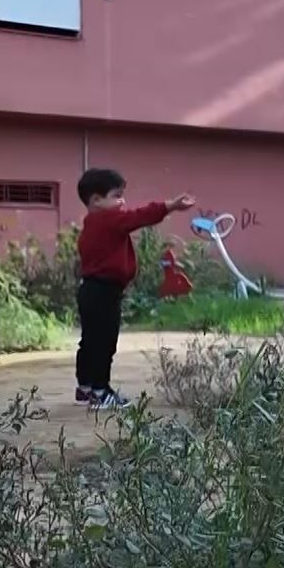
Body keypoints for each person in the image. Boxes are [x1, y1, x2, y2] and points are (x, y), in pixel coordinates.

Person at [74, 168, 195, 410]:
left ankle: (85, 387)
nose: (122, 202)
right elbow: (140, 216)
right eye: (116, 196)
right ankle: (101, 391)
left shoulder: (91, 223)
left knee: (89, 341)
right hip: (105, 292)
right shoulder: (109, 221)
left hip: (89, 290)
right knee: (105, 343)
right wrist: (170, 205)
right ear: (96, 200)